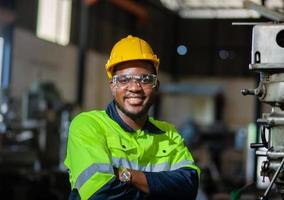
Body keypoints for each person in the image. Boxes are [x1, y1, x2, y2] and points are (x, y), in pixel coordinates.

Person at [64, 35, 200, 200]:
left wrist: (123, 174)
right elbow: (101, 194)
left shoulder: (169, 133)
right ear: (112, 86)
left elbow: (189, 186)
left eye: (145, 79)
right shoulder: (88, 126)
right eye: (124, 79)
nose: (135, 87)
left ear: (156, 86)